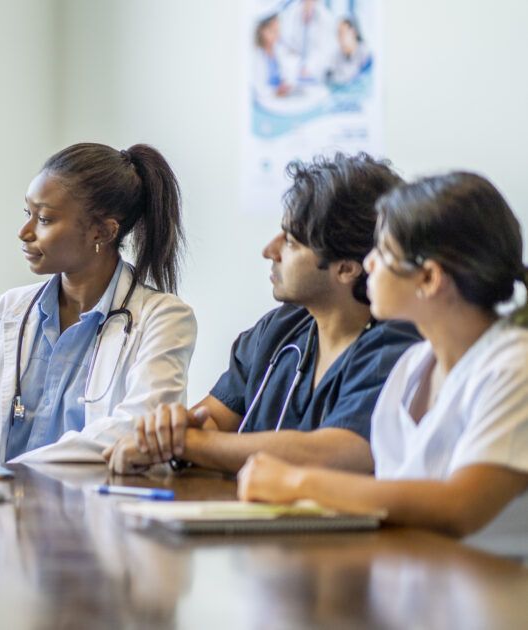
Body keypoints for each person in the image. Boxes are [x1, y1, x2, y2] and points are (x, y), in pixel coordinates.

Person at [239, 172, 528, 556]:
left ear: (428, 278)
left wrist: (297, 482)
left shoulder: (513, 367)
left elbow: (458, 507)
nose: (369, 263)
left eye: (384, 252)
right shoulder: (412, 366)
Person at [106, 153, 420, 475]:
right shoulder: (281, 327)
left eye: (292, 242)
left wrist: (187, 444)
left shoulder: (396, 346)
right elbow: (214, 419)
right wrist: (171, 430)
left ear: (346, 269)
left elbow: (341, 451)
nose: (270, 250)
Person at [0, 143, 197, 463]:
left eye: (45, 219)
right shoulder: (8, 311)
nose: (25, 232)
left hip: (95, 509)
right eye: (27, 213)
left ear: (102, 231)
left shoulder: (164, 319)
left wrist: (9, 473)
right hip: (2, 508)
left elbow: (136, 431)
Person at [327, 18, 374, 87]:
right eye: (338, 33)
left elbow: (363, 80)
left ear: (354, 33)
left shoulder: (365, 55)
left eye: (342, 33)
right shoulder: (336, 55)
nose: (339, 37)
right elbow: (329, 76)